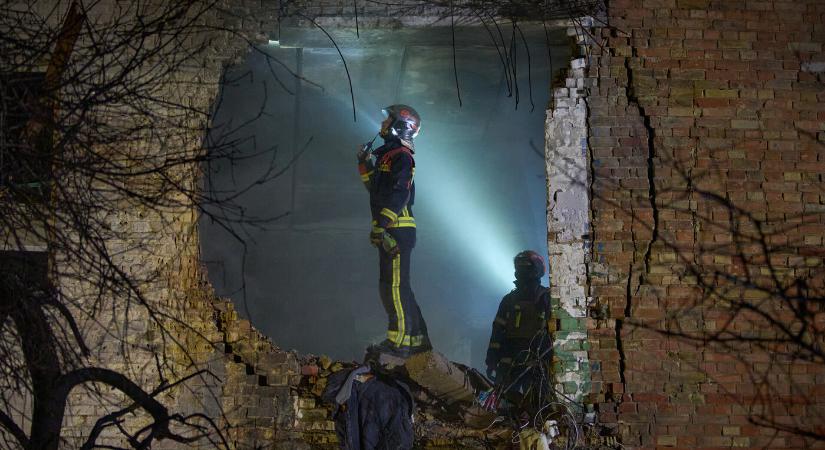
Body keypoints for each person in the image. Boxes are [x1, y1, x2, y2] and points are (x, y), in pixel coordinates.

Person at [356, 104, 430, 358]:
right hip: (390, 230)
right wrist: (364, 164)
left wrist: (384, 224)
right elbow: (377, 191)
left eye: (387, 120)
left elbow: (400, 193)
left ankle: (400, 343)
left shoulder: (402, 156)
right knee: (393, 287)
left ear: (401, 125)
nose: (382, 124)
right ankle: (417, 339)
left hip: (397, 231)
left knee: (394, 288)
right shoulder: (388, 156)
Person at [485, 250, 553, 389]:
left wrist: (491, 361)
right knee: (533, 407)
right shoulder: (546, 297)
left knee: (513, 405)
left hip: (525, 366)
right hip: (527, 366)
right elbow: (497, 333)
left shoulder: (510, 300)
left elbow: (497, 333)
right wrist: (491, 360)